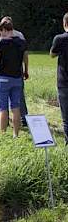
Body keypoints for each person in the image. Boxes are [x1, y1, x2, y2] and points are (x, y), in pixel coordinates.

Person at [0, 19, 29, 138]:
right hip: (17, 78)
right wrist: (26, 70)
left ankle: (3, 134)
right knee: (15, 107)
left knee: (3, 108)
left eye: (0, 31)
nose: (0, 34)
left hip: (3, 78)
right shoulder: (21, 42)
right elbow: (25, 57)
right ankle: (15, 134)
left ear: (4, 30)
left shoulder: (2, 42)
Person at [50, 12, 68, 145]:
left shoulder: (59, 39)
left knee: (66, 118)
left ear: (64, 23)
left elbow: (52, 54)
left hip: (64, 82)